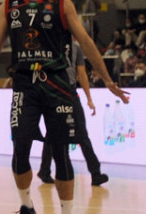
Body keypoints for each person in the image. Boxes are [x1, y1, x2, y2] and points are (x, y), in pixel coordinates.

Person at [0, 0, 128, 214]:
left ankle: (66, 211)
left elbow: (86, 42)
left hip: (57, 84)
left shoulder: (61, 3)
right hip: (24, 85)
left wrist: (107, 79)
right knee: (20, 149)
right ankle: (26, 205)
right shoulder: (10, 6)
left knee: (62, 154)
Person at [37, 40, 108, 187]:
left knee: (80, 133)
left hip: (70, 92)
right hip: (54, 92)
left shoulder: (76, 47)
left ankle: (95, 173)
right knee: (54, 133)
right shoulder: (51, 42)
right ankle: (45, 170)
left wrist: (89, 98)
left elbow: (81, 73)